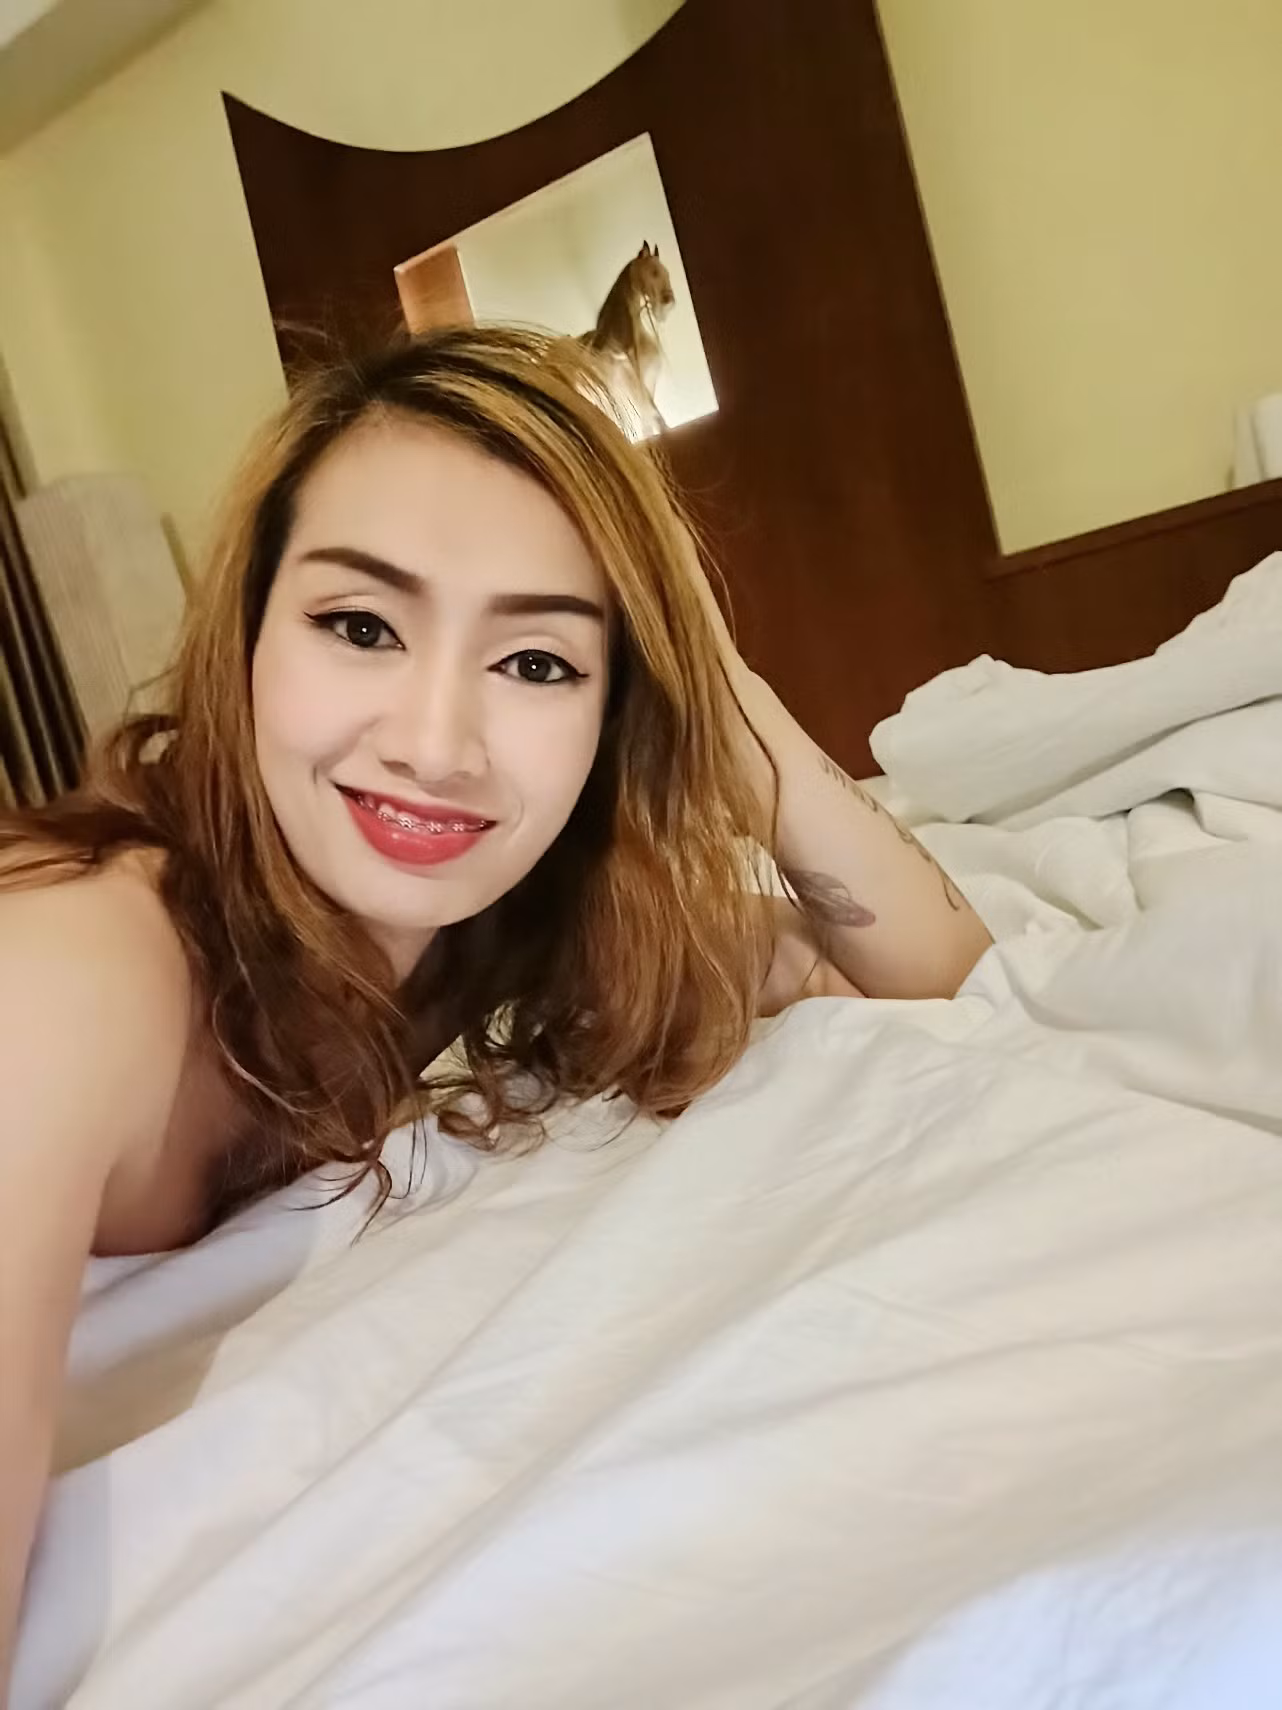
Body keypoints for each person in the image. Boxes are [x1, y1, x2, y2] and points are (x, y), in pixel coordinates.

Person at [0, 325, 990, 1686]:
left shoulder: (518, 931)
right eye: (360, 626)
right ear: (244, 642)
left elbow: (944, 978)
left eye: (536, 662)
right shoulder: (68, 975)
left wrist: (725, 701)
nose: (434, 745)